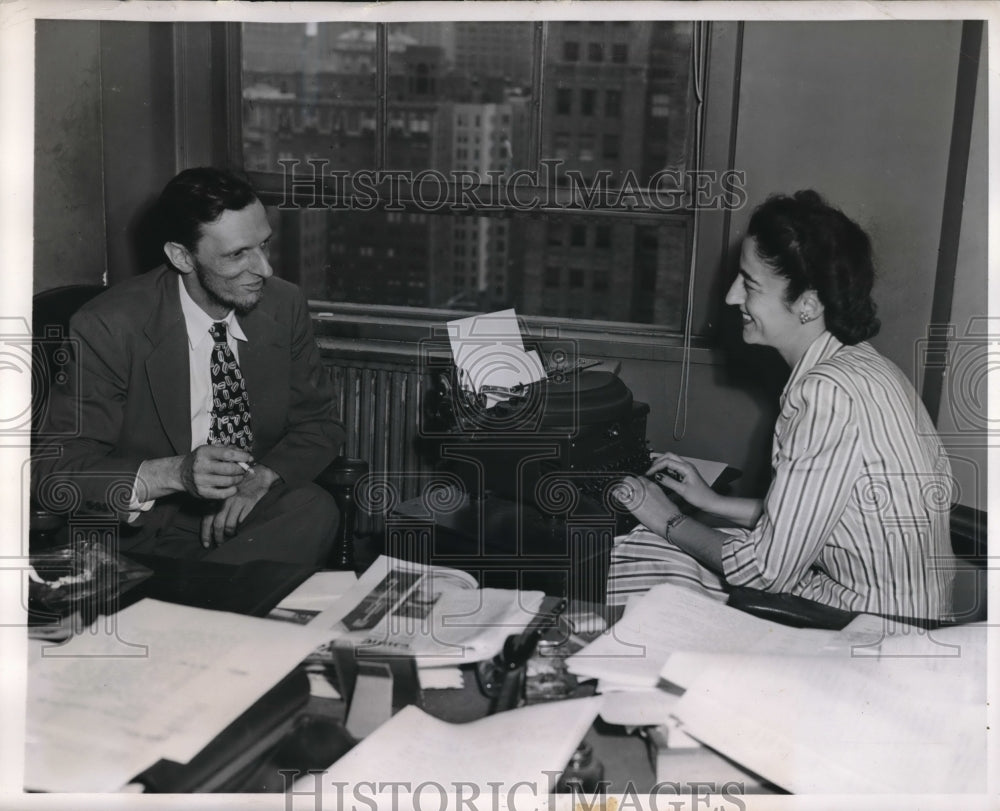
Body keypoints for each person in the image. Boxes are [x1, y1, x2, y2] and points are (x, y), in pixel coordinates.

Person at [609, 190, 955, 622]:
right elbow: (812, 518)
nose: (733, 297)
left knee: (637, 558)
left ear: (807, 304)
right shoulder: (861, 363)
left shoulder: (827, 395)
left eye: (750, 284)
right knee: (668, 557)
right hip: (899, 607)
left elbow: (764, 573)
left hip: (872, 628)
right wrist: (710, 501)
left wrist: (666, 520)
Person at [33, 167, 344, 566]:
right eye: (237, 254)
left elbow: (320, 424)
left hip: (242, 517)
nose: (264, 269)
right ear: (181, 256)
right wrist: (176, 474)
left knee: (314, 508)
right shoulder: (109, 326)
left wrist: (262, 478)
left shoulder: (284, 305)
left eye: (264, 245)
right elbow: (53, 470)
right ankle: (215, 601)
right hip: (142, 530)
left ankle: (199, 604)